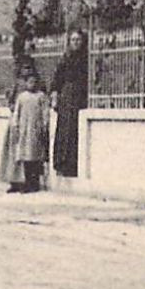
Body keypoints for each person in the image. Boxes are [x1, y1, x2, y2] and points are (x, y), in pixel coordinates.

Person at [50, 29, 89, 179]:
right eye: (73, 40)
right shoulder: (64, 59)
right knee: (64, 131)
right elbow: (56, 80)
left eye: (78, 40)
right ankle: (62, 164)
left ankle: (73, 166)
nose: (76, 43)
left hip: (80, 98)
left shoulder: (86, 59)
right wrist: (55, 96)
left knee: (75, 132)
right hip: (66, 99)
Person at [8, 70, 50, 192]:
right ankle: (27, 182)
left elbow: (45, 112)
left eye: (34, 82)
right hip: (24, 131)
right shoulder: (22, 97)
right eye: (29, 82)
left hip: (35, 130)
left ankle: (35, 183)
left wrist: (44, 125)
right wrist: (16, 126)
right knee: (25, 157)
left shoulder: (41, 96)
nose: (32, 84)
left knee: (35, 157)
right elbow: (17, 113)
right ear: (26, 83)